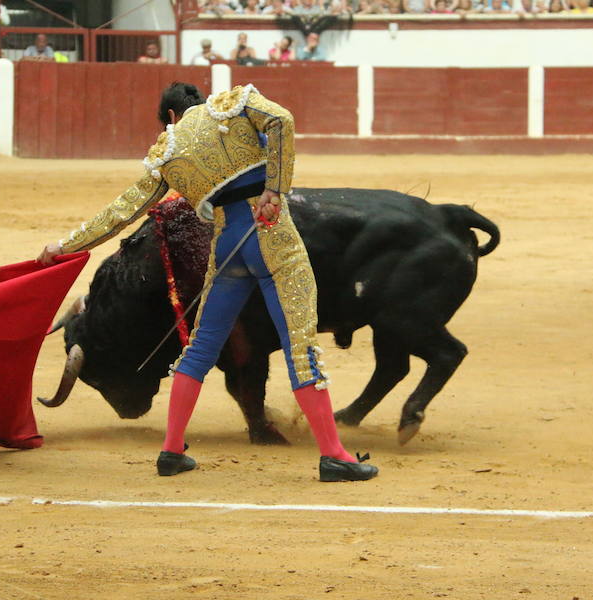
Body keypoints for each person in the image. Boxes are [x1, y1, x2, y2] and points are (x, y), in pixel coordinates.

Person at [36, 83, 378, 483]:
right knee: (299, 345)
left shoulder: (167, 151)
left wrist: (63, 245)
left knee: (199, 348)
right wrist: (275, 189)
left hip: (228, 244)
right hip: (272, 234)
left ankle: (172, 450)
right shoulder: (232, 107)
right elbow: (282, 120)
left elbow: (120, 213)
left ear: (169, 118)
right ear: (200, 102)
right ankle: (333, 455)